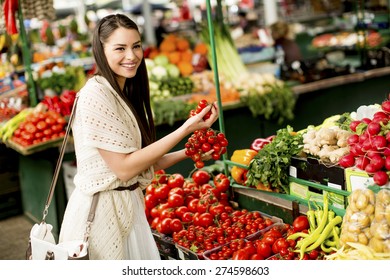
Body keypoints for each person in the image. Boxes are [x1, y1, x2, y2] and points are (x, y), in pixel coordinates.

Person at [58, 14, 219, 260]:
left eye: (136, 46)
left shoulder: (120, 92)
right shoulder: (95, 96)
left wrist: (190, 151)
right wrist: (185, 129)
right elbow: (123, 169)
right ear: (100, 50)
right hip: (101, 215)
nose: (131, 56)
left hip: (127, 209)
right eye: (120, 48)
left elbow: (142, 163)